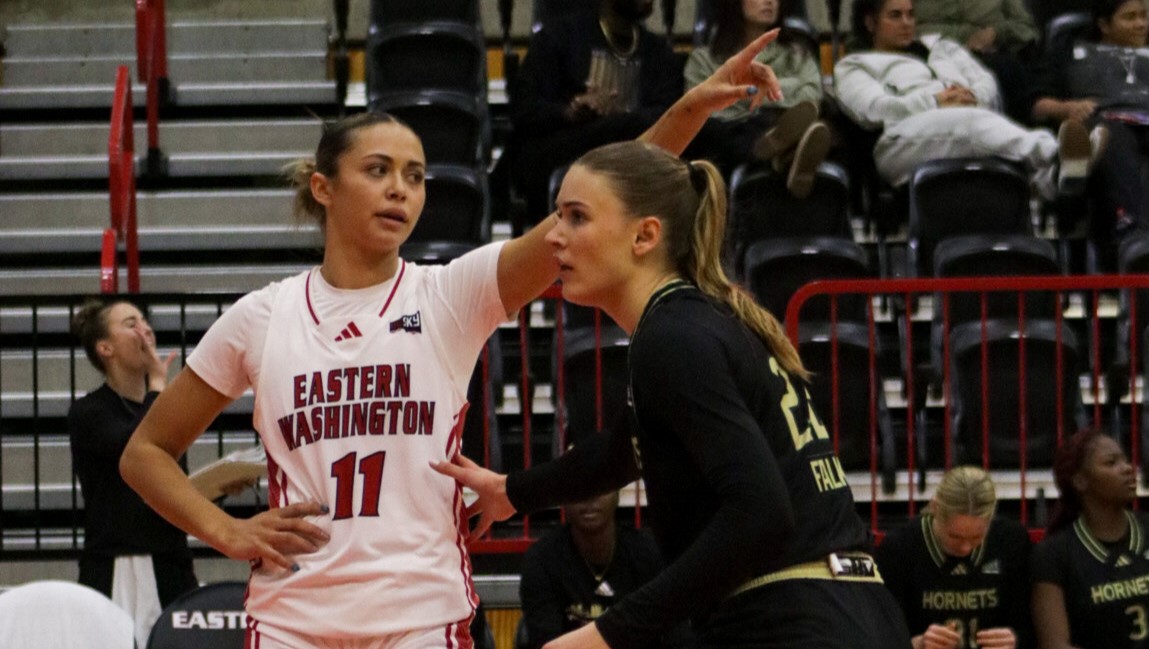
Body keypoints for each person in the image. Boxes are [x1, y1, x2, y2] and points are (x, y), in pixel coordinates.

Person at [119, 31, 786, 649]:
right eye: (378, 170)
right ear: (323, 187)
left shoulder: (447, 294)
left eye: (414, 175)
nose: (401, 190)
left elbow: (604, 201)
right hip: (293, 617)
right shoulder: (261, 316)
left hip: (420, 614)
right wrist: (227, 530)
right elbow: (146, 452)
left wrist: (689, 110)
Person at [433, 97, 913, 649]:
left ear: (645, 236)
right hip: (851, 610)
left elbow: (761, 513)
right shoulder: (699, 319)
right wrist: (512, 491)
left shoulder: (672, 338)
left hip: (794, 619)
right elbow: (625, 448)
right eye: (558, 215)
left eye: (577, 217)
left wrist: (608, 633)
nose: (554, 237)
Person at [834, 0, 1107, 202]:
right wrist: (936, 101)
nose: (907, 23)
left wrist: (972, 97)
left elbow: (985, 81)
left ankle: (1049, 180)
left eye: (910, 15)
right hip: (896, 143)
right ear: (870, 23)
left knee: (974, 120)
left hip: (965, 120)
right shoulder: (855, 64)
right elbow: (871, 110)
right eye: (895, 16)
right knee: (971, 123)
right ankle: (1055, 154)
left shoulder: (941, 47)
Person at [67, 298, 198, 648]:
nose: (145, 329)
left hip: (169, 562)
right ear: (105, 348)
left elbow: (170, 482)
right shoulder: (88, 412)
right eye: (130, 323)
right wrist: (158, 386)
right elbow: (137, 450)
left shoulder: (165, 407)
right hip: (114, 564)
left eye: (144, 320)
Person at [509, 0, 684, 221]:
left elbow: (668, 114)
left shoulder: (659, 53)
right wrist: (569, 112)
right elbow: (523, 109)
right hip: (569, 150)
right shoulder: (560, 37)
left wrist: (620, 118)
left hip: (639, 157)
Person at [1032, 0, 1149, 268]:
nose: (1141, 24)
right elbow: (1036, 104)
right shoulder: (1071, 54)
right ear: (1104, 25)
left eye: (1144, 16)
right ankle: (1131, 235)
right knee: (1113, 138)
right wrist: (1066, 107)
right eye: (1130, 17)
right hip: (1105, 123)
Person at [876, 466, 1032, 649]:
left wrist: (1015, 640)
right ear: (935, 508)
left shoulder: (1012, 541)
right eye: (954, 536)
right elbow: (879, 636)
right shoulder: (899, 549)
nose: (965, 548)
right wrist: (916, 644)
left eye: (976, 537)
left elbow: (1031, 629)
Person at [684, 0, 830, 195]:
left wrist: (749, 92)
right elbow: (699, 106)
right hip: (730, 135)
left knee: (820, 120)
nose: (770, 2)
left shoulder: (798, 53)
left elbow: (812, 96)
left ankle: (777, 147)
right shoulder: (703, 59)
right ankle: (785, 152)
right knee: (719, 131)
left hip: (771, 121)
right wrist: (787, 88)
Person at [520, 490, 692, 649]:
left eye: (599, 483)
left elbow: (678, 637)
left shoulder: (650, 554)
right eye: (578, 485)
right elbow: (547, 643)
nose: (589, 496)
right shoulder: (541, 560)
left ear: (617, 491)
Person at [1031, 429, 1149, 649]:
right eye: (1111, 463)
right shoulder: (1053, 555)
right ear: (1080, 481)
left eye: (1126, 460)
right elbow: (1055, 645)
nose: (1127, 468)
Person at [912, 0, 1041, 122]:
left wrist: (996, 33)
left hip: (993, 55)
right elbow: (906, 23)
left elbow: (1026, 28)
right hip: (933, 54)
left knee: (1009, 70)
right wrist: (965, 36)